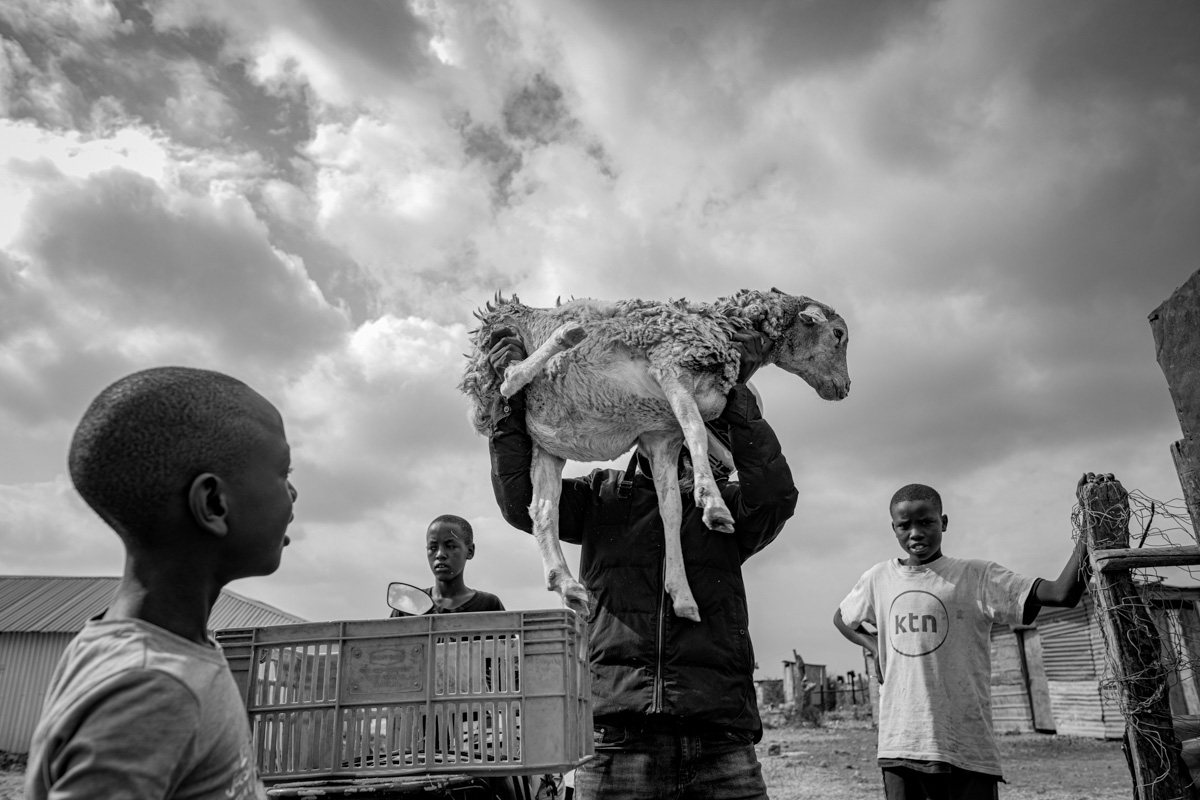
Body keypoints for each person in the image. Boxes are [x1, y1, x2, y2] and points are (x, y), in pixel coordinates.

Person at [487, 327, 797, 800]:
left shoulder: (728, 509)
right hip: (616, 743)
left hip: (719, 743)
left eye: (713, 428)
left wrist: (729, 388)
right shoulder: (600, 497)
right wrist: (509, 404)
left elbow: (776, 496)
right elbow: (520, 503)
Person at [24, 367, 297, 800]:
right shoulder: (153, 687)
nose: (293, 494)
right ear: (213, 503)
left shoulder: (171, 650)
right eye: (284, 472)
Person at [834, 479, 1091, 800]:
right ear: (894, 529)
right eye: (905, 526)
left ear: (943, 522)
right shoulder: (878, 578)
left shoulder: (976, 576)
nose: (915, 532)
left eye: (926, 522)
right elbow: (843, 618)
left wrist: (1089, 530)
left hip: (967, 746)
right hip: (901, 744)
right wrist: (876, 648)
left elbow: (1061, 594)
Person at [390, 514, 505, 616]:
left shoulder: (488, 605)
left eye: (450, 546)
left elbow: (508, 641)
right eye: (433, 548)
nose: (440, 555)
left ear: (470, 551)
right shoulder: (409, 604)